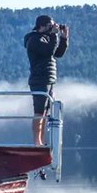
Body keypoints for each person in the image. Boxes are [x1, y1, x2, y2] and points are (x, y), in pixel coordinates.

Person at [25, 15, 69, 146]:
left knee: (45, 112)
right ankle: (37, 142)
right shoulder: (34, 40)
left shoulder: (47, 39)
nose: (52, 28)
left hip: (49, 80)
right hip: (39, 80)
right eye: (50, 26)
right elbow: (49, 51)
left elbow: (58, 53)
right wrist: (54, 36)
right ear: (41, 26)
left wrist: (64, 37)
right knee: (39, 111)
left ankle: (41, 141)